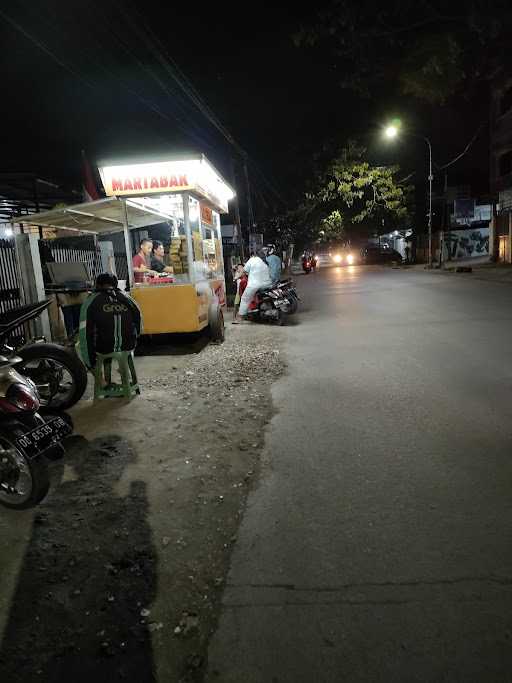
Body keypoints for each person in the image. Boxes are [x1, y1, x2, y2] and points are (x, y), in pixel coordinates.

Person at [78, 273, 142, 371]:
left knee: (78, 346)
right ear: (116, 284)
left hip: (104, 348)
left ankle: (100, 379)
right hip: (129, 345)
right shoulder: (128, 298)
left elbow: (84, 334)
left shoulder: (90, 301)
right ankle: (125, 369)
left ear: (97, 285)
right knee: (127, 345)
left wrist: (90, 363)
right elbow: (139, 325)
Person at [233, 248, 272, 323]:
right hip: (267, 284)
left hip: (254, 284)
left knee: (245, 298)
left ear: (254, 254)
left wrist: (236, 277)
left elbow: (243, 272)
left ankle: (240, 318)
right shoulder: (265, 261)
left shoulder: (252, 260)